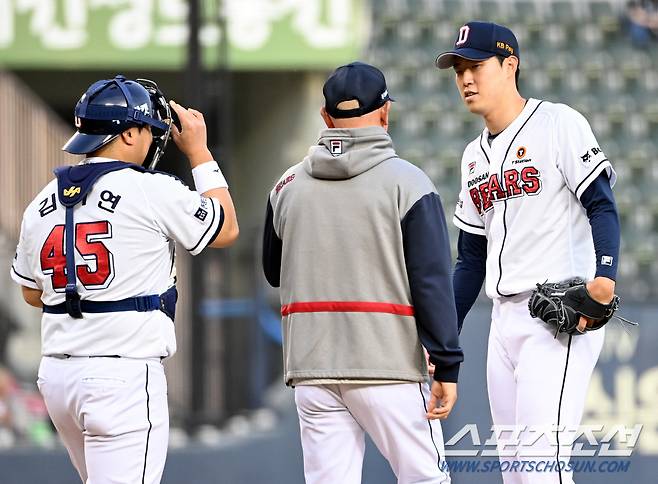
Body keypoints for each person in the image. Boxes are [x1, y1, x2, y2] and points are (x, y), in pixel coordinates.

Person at [10, 75, 238, 483]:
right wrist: (200, 152)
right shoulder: (149, 189)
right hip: (121, 376)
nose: (152, 139)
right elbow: (226, 229)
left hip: (60, 378)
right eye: (148, 130)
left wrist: (87, 295)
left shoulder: (42, 199)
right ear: (129, 133)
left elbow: (31, 291)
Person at [435, 22, 620, 483]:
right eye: (459, 69)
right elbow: (470, 261)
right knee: (516, 472)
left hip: (555, 317)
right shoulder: (472, 156)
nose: (465, 79)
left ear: (510, 64)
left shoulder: (558, 123)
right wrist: (446, 337)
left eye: (475, 65)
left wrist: (605, 276)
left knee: (541, 470)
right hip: (503, 323)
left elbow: (601, 204)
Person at [262, 61, 463, 484]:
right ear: (385, 112)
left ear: (325, 117)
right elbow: (431, 283)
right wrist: (447, 363)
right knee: (427, 480)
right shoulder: (409, 184)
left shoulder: (285, 186)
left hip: (312, 367)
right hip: (387, 367)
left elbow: (272, 271)